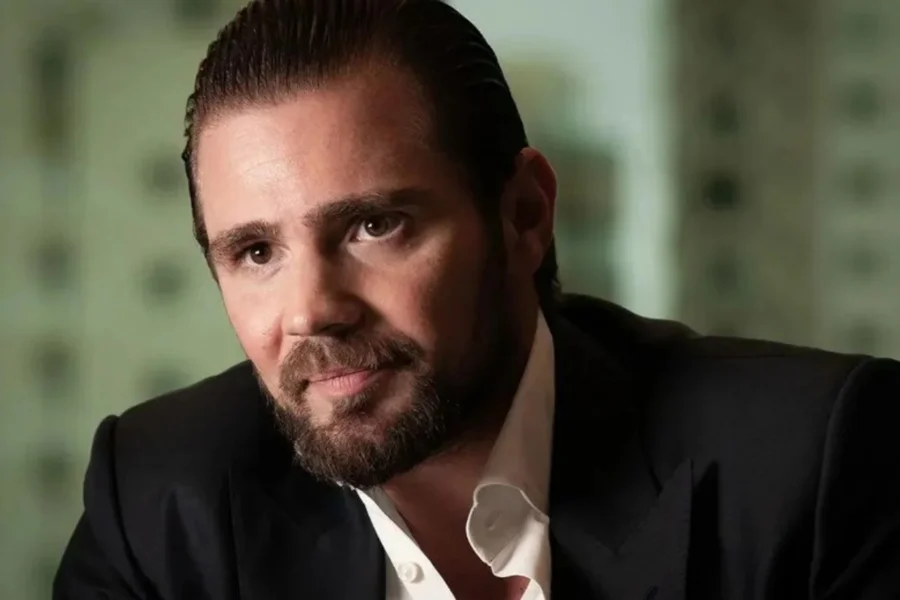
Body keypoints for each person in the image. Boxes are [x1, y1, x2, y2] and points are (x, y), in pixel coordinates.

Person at [54, 0, 900, 598]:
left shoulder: (812, 468)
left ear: (524, 214)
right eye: (256, 252)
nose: (312, 310)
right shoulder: (162, 504)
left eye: (374, 225)